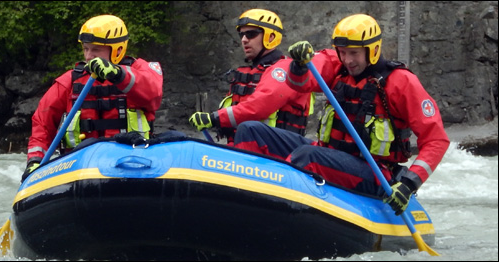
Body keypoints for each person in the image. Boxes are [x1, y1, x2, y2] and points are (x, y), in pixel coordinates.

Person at [233, 14, 450, 216]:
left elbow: (436, 140)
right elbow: (301, 81)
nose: (347, 60)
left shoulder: (401, 82)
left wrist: (410, 183)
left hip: (375, 172)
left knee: (307, 156)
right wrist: (299, 65)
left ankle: (271, 208)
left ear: (372, 50)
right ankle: (241, 198)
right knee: (250, 130)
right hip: (329, 155)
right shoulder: (337, 66)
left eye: (354, 53)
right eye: (343, 52)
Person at [22, 14, 164, 182]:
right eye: (86, 49)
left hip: (132, 162)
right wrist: (35, 160)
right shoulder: (70, 81)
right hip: (80, 166)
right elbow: (42, 124)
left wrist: (118, 74)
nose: (89, 56)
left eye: (95, 50)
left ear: (118, 50)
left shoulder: (142, 71)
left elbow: (153, 93)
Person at [188, 8, 313, 146]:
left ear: (271, 37)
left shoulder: (285, 69)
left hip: (275, 154)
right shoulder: (248, 72)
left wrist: (214, 118)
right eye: (241, 35)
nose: (244, 40)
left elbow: (259, 106)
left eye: (251, 34)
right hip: (245, 150)